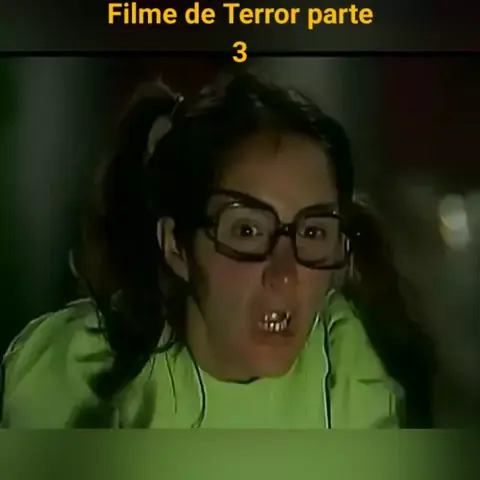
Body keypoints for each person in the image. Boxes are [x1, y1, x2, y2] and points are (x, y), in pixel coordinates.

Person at [1, 72, 435, 429]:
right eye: (247, 230)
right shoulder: (79, 366)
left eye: (313, 232)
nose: (285, 272)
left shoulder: (348, 368)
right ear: (177, 247)